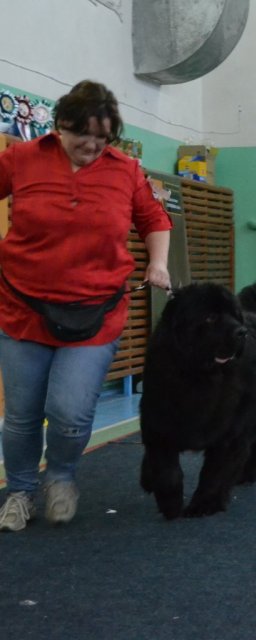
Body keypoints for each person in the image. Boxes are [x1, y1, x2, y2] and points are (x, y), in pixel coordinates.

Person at [0, 80, 172, 531]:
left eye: (103, 138)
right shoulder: (21, 158)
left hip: (95, 313)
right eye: (84, 135)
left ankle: (61, 478)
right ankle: (19, 492)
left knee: (71, 411)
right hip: (23, 307)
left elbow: (154, 219)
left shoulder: (126, 171)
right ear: (59, 127)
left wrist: (158, 263)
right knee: (21, 414)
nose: (93, 146)